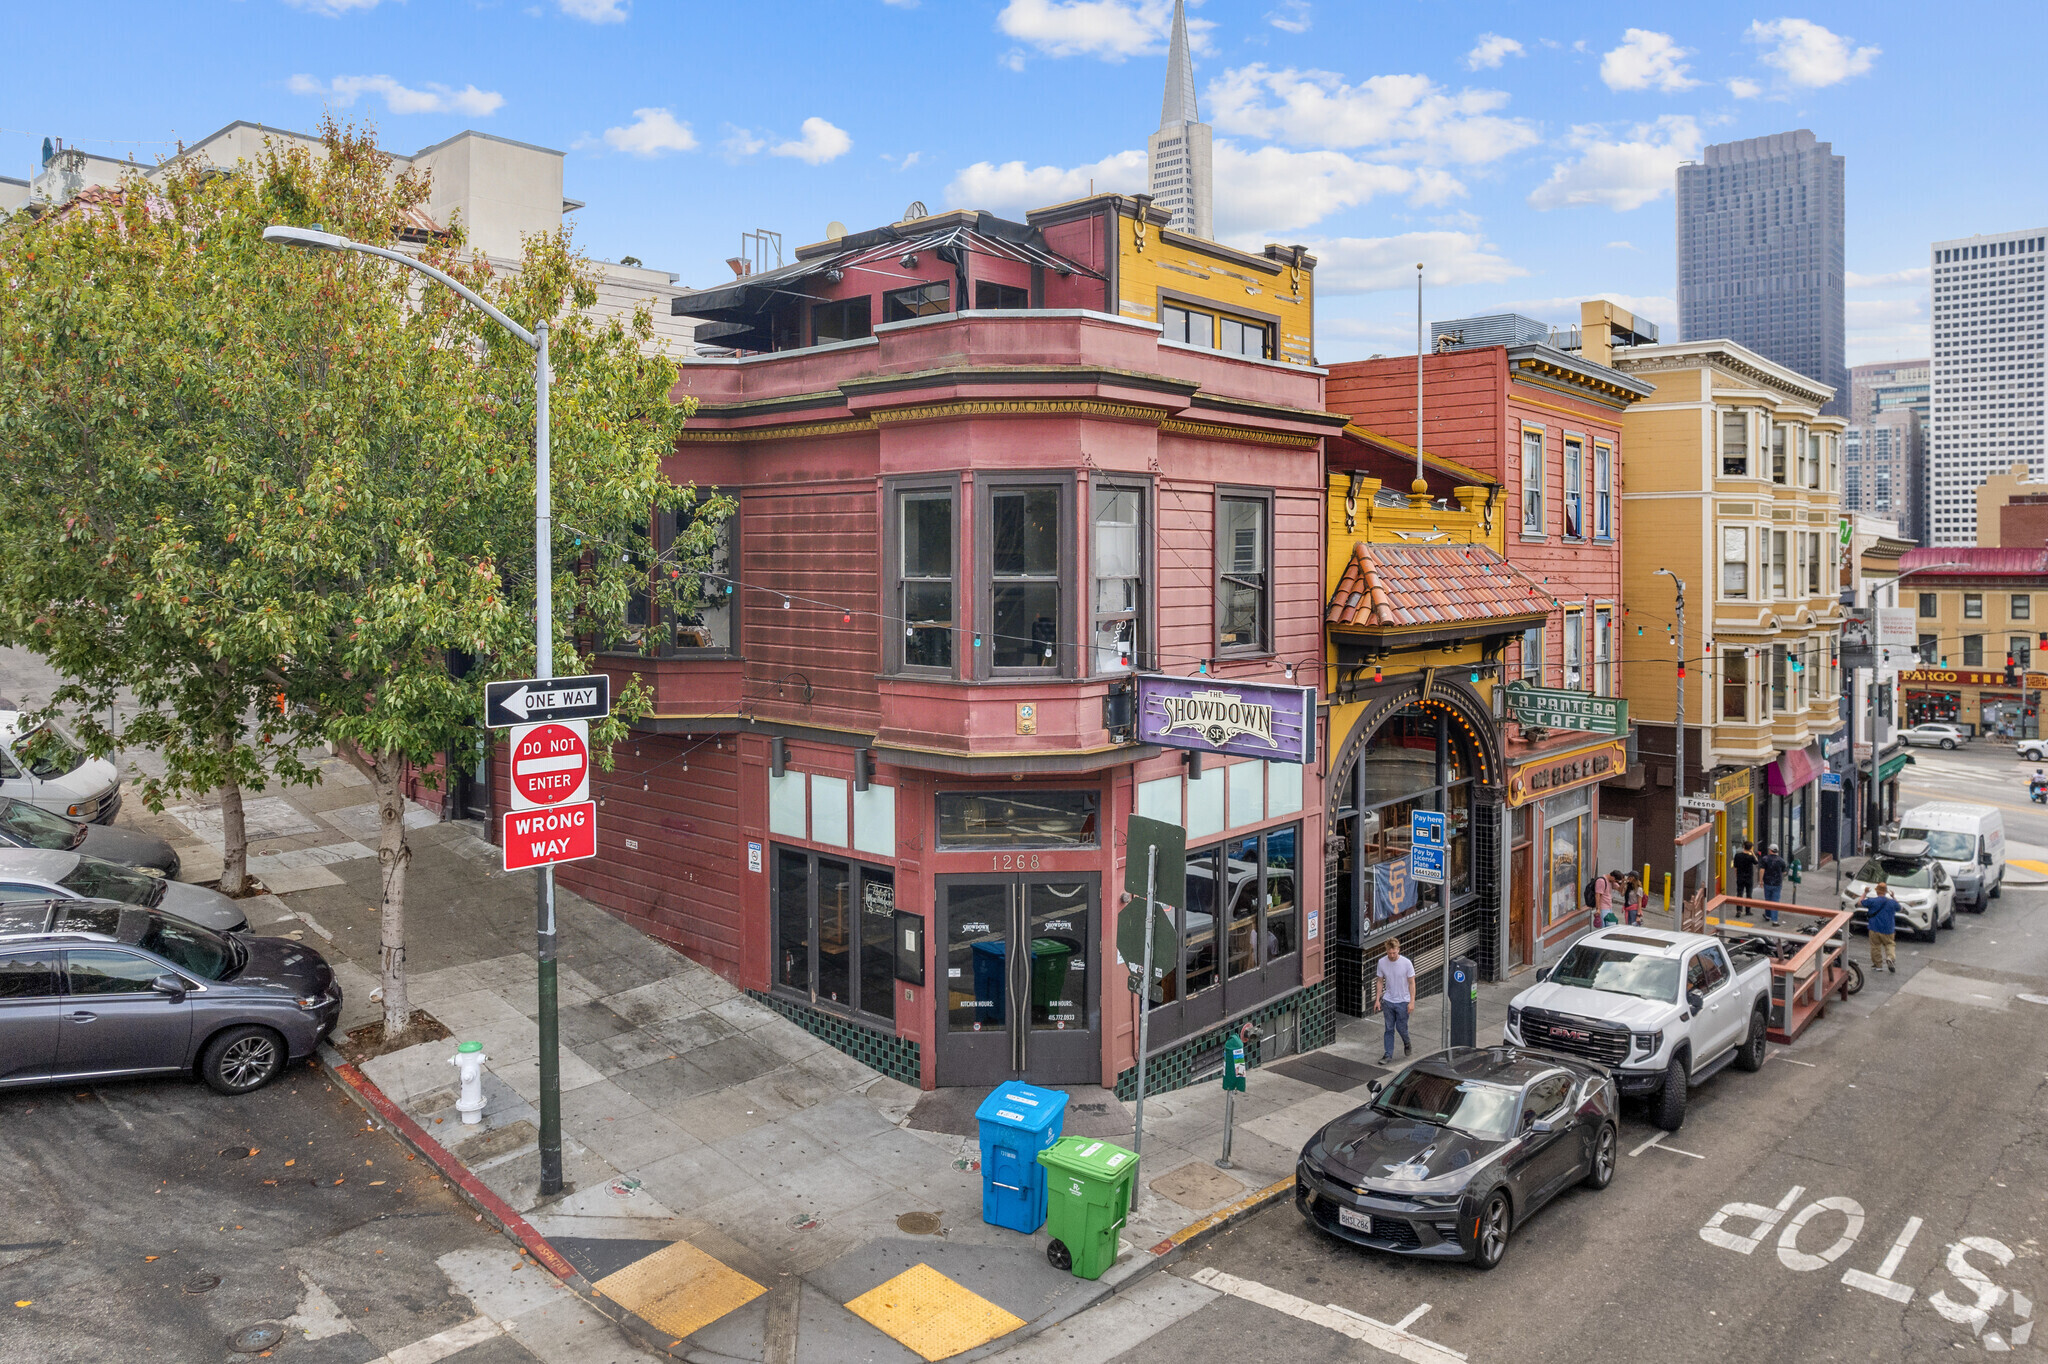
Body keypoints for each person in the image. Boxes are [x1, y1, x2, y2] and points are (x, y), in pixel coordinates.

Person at [1375, 937, 1417, 1063]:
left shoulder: (1406, 963)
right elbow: (1379, 981)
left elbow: (1412, 983)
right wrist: (1378, 999)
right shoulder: (1382, 962)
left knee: (1401, 1027)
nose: (1392, 955)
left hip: (1403, 1001)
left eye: (1394, 952)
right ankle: (1388, 1054)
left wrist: (1412, 1001)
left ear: (1398, 950)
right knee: (1389, 1028)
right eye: (1389, 953)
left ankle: (1406, 1041)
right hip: (1388, 1000)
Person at [1860, 881, 1902, 974]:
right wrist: (1893, 897)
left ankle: (1878, 965)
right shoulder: (1891, 902)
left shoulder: (1872, 901)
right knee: (1890, 944)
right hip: (1888, 929)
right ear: (1886, 892)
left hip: (1874, 927)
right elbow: (1900, 908)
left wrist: (1865, 893)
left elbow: (1860, 902)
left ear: (1877, 891)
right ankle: (1890, 958)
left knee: (1875, 946)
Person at [1759, 843, 1788, 924]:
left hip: (1767, 882)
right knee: (1775, 901)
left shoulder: (1765, 859)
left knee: (1767, 900)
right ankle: (1774, 920)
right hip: (1777, 883)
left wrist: (1761, 881)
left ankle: (1768, 916)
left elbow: (1762, 870)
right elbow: (1784, 871)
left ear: (1770, 850)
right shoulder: (1781, 860)